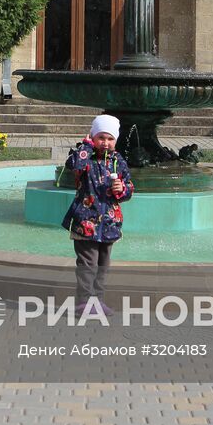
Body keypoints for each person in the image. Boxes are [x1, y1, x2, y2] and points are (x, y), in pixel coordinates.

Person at [62, 114, 134, 316]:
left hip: (110, 223)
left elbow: (129, 187)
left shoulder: (118, 161)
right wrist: (85, 146)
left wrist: (122, 189)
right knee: (88, 262)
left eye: (110, 139)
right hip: (86, 220)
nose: (105, 142)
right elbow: (73, 165)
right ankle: (83, 302)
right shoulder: (86, 158)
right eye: (101, 137)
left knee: (103, 264)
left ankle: (98, 300)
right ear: (93, 137)